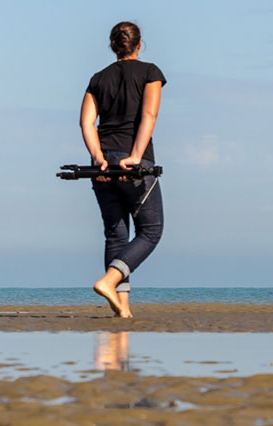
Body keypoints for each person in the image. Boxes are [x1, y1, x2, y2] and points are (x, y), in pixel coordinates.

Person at [80, 21, 165, 318]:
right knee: (151, 231)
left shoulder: (97, 79)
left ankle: (122, 309)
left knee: (116, 234)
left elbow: (87, 122)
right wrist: (136, 156)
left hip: (103, 163)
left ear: (113, 46)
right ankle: (110, 280)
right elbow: (149, 115)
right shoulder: (150, 73)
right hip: (134, 161)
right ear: (140, 44)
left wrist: (98, 157)